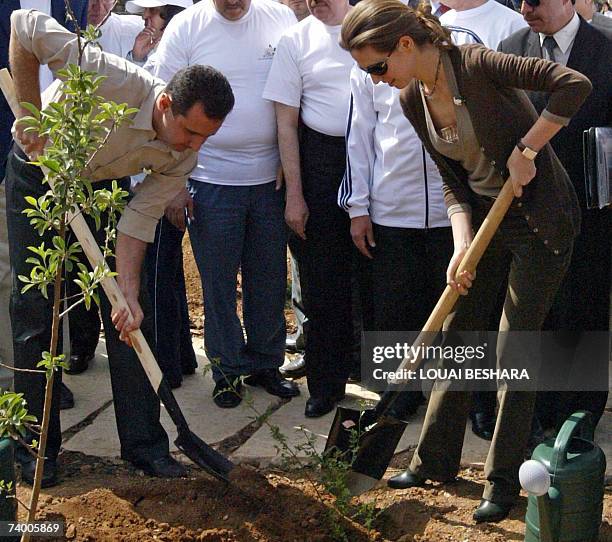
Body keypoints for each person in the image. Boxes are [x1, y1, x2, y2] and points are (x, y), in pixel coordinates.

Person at [340, 0, 590, 522]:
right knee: (457, 336)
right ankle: (434, 460)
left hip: (541, 222)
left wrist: (528, 149)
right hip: (484, 224)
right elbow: (453, 184)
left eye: (377, 67)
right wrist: (461, 244)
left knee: (509, 348)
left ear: (406, 45)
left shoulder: (478, 64)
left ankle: (502, 481)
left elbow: (573, 84)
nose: (374, 79)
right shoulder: (413, 98)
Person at [7, 8, 234, 486]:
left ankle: (144, 447)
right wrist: (30, 117)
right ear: (166, 103)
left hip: (101, 188)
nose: (194, 145)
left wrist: (126, 291)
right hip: (41, 172)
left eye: (205, 137)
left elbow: (138, 220)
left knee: (130, 316)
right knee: (35, 309)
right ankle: (35, 451)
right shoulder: (108, 74)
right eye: (190, 132)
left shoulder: (184, 154)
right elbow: (24, 27)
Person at [153, 0, 299, 409]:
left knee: (268, 278)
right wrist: (176, 183)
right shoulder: (186, 27)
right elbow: (162, 102)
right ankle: (227, 370)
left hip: (271, 179)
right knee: (218, 283)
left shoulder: (280, 18)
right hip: (211, 180)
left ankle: (267, 363)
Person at [498, 0, 611, 433]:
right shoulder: (512, 47)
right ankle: (537, 409)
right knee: (538, 309)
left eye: (537, 0)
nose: (526, 9)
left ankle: (580, 412)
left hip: (594, 205)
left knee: (584, 306)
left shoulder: (605, 44)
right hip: (533, 205)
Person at [263, 0, 355, 417]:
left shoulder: (372, 24)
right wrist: (295, 194)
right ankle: (326, 383)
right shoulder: (295, 40)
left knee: (377, 279)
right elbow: (286, 122)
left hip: (376, 158)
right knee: (322, 281)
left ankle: (387, 383)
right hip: (319, 163)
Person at [1, 1, 88, 395]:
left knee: (54, 268)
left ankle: (47, 378)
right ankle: (16, 384)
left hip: (56, 162)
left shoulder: (71, 3)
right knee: (12, 274)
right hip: (11, 152)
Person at [123, 0, 196, 389]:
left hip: (162, 188)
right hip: (152, 184)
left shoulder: (177, 67)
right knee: (165, 278)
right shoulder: (153, 57)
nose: (146, 20)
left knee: (155, 280)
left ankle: (164, 365)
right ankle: (180, 357)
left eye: (152, 14)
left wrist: (176, 191)